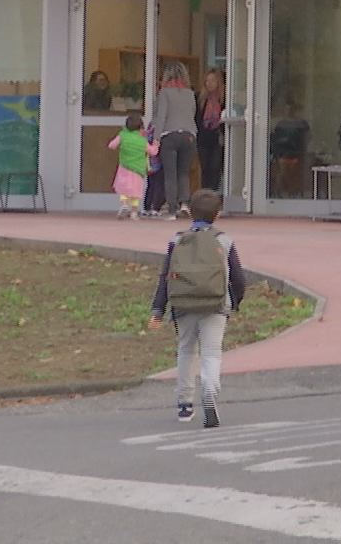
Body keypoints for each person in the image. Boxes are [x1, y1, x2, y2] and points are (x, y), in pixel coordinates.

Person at [148, 190, 245, 426]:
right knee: (211, 352)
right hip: (216, 303)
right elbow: (239, 277)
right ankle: (210, 389)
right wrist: (235, 301)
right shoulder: (224, 240)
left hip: (183, 303)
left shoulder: (177, 240)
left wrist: (158, 310)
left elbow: (165, 276)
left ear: (189, 212)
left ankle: (184, 404)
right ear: (218, 214)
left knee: (186, 351)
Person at [151, 61, 199, 216]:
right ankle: (185, 203)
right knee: (183, 173)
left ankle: (172, 208)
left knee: (170, 174)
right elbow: (191, 114)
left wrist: (156, 139)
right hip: (188, 135)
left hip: (169, 135)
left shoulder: (164, 93)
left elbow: (161, 117)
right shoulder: (190, 93)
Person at [105, 112, 155, 219]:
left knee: (124, 189)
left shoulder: (123, 136)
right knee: (135, 192)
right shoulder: (142, 140)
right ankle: (134, 213)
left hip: (124, 167)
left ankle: (124, 205)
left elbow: (111, 145)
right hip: (138, 170)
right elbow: (152, 152)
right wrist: (156, 144)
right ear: (141, 127)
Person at [195, 68, 227, 194]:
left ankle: (212, 194)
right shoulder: (199, 98)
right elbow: (197, 118)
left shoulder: (224, 100)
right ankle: (204, 195)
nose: (209, 84)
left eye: (212, 80)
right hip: (203, 138)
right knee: (204, 168)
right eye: (207, 81)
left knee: (215, 167)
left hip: (217, 138)